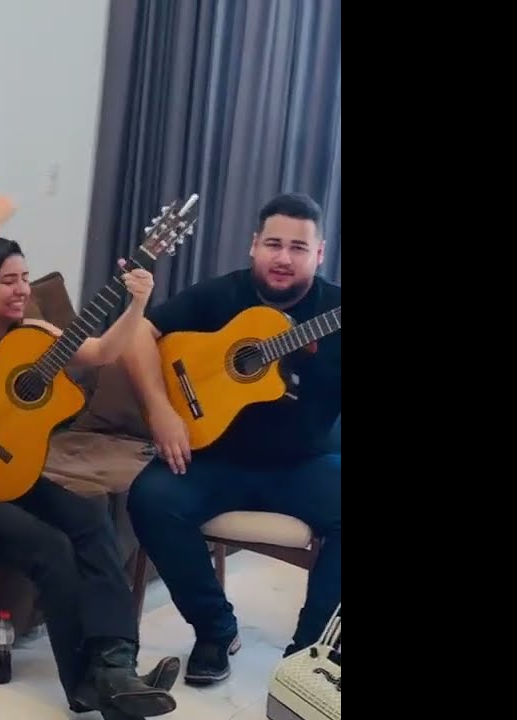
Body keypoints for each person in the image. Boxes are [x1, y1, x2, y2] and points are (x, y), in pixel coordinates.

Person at [0, 196, 181, 718]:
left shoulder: (33, 338)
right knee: (50, 545)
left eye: (26, 278)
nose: (23, 289)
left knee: (91, 517)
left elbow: (102, 353)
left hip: (12, 474)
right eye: (8, 280)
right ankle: (84, 686)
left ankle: (116, 664)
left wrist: (138, 305)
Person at [120, 192, 341, 687]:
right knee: (151, 498)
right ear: (254, 245)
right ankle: (215, 630)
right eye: (274, 244)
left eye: (298, 248)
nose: (283, 258)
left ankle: (309, 655)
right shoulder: (220, 295)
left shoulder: (335, 310)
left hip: (302, 465)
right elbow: (137, 335)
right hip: (213, 458)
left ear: (319, 254)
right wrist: (161, 410)